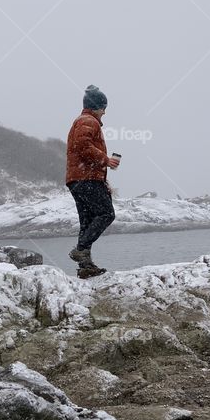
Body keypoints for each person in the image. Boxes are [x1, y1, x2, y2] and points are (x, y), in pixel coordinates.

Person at [65, 85, 121, 277]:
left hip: (78, 179)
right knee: (106, 213)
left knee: (87, 221)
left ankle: (85, 266)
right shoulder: (88, 121)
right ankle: (81, 250)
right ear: (95, 106)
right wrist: (106, 160)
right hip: (86, 178)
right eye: (103, 107)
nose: (104, 112)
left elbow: (82, 147)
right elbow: (83, 146)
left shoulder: (83, 121)